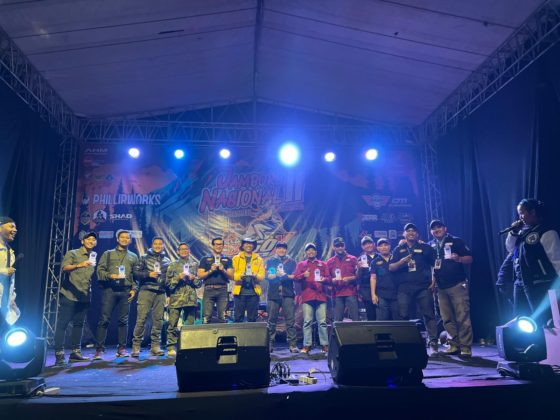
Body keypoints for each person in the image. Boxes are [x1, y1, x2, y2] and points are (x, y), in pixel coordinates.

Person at [505, 199, 560, 327]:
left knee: (542, 319)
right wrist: (513, 232)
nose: (520, 217)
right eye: (519, 214)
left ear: (533, 212)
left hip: (539, 283)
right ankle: (527, 340)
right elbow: (510, 248)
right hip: (520, 282)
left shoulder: (546, 231)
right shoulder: (522, 233)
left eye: (522, 213)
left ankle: (544, 340)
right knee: (520, 318)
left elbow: (556, 259)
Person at [389, 223, 439, 354]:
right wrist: (401, 262)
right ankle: (404, 343)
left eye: (413, 231)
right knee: (403, 315)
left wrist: (434, 282)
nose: (411, 233)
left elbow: (436, 264)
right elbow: (391, 267)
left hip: (423, 287)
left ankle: (433, 343)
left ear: (417, 234)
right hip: (404, 288)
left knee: (428, 314)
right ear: (404, 234)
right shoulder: (398, 249)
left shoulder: (425, 248)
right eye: (408, 231)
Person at [428, 220, 474, 357]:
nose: (437, 230)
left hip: (457, 284)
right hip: (441, 287)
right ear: (431, 232)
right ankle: (454, 345)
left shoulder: (455, 241)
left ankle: (465, 346)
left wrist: (459, 258)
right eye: (434, 228)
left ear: (445, 228)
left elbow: (470, 258)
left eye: (439, 227)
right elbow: (433, 266)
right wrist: (433, 283)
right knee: (446, 318)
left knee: (462, 316)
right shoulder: (431, 245)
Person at [54, 232, 98, 366]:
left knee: (79, 324)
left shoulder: (93, 256)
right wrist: (79, 265)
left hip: (84, 296)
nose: (91, 241)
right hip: (69, 295)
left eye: (93, 239)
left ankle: (75, 353)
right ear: (82, 241)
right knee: (63, 324)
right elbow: (64, 268)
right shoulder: (73, 253)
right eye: (88, 239)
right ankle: (59, 354)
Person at [93, 229, 139, 360]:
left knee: (123, 321)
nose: (125, 239)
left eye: (127, 238)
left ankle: (121, 348)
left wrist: (134, 289)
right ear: (117, 239)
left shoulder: (134, 256)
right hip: (110, 290)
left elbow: (136, 276)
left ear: (130, 240)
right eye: (122, 237)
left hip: (125, 291)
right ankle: (99, 349)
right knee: (104, 319)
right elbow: (99, 271)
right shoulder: (108, 254)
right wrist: (110, 275)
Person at [132, 236, 171, 357]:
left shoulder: (167, 261)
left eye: (160, 244)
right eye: (156, 244)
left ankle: (155, 346)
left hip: (161, 292)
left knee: (158, 320)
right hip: (146, 290)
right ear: (152, 245)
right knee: (141, 319)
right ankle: (136, 346)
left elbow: (168, 279)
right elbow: (135, 273)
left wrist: (168, 294)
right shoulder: (144, 257)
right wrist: (148, 274)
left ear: (163, 246)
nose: (158, 246)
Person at [165, 242, 201, 356]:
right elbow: (168, 284)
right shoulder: (172, 265)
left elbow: (199, 283)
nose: (184, 251)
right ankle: (171, 347)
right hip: (176, 298)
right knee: (172, 323)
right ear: (178, 251)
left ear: (189, 251)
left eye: (186, 249)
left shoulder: (195, 265)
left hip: (190, 299)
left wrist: (193, 278)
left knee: (190, 324)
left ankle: (188, 346)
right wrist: (178, 278)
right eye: (182, 249)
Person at [294, 243, 330, 354]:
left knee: (322, 322)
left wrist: (324, 279)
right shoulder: (301, 264)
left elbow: (329, 278)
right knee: (307, 322)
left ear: (316, 252)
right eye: (308, 250)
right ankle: (307, 345)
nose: (310, 252)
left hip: (320, 296)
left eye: (313, 250)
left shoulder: (323, 264)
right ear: (305, 252)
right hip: (307, 296)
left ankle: (325, 345)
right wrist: (302, 275)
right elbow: (295, 278)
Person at [266, 241, 298, 353]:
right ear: (276, 249)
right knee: (271, 321)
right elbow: (268, 275)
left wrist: (285, 275)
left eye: (283, 248)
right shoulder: (270, 261)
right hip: (273, 294)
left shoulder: (292, 262)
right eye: (279, 248)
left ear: (286, 250)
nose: (281, 250)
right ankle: (269, 344)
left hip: (287, 294)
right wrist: (274, 275)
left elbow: (295, 276)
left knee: (290, 321)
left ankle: (292, 345)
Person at [198, 237, 233, 323]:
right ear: (213, 246)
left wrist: (223, 270)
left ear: (223, 246)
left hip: (223, 290)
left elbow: (231, 276)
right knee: (206, 318)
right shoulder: (204, 259)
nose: (219, 246)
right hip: (209, 290)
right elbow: (200, 275)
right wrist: (211, 270)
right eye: (216, 244)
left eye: (220, 244)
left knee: (223, 317)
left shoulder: (227, 260)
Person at [232, 237, 265, 322]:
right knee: (238, 318)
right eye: (246, 243)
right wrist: (240, 276)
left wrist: (255, 275)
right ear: (242, 245)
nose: (249, 245)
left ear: (254, 246)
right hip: (239, 293)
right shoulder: (236, 258)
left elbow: (262, 277)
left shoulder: (259, 259)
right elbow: (232, 275)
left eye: (251, 244)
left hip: (254, 293)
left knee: (252, 319)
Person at [326, 237, 359, 321]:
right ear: (334, 247)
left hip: (351, 292)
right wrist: (332, 280)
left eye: (342, 245)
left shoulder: (353, 259)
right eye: (337, 246)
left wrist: (351, 278)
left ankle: (358, 330)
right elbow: (327, 278)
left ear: (344, 246)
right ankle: (337, 331)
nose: (340, 247)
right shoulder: (329, 262)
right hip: (337, 294)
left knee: (356, 319)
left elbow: (358, 276)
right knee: (337, 321)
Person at [370, 238, 398, 320]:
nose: (384, 247)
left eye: (386, 245)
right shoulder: (374, 262)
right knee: (382, 320)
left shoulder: (396, 258)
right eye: (381, 246)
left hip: (396, 294)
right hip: (381, 295)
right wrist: (373, 295)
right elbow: (373, 278)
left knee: (398, 320)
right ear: (377, 248)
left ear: (390, 246)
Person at [0, 217, 19, 331]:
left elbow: (10, 280)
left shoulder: (10, 251)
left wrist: (12, 299)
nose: (15, 230)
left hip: (4, 302)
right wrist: (4, 271)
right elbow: (6, 272)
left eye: (15, 227)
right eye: (11, 226)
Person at [356, 236, 377, 320]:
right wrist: (359, 269)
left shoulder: (379, 256)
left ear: (373, 244)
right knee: (371, 314)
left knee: (382, 313)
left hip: (380, 287)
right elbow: (357, 277)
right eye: (365, 244)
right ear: (362, 247)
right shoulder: (360, 259)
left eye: (369, 243)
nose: (368, 245)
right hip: (366, 289)